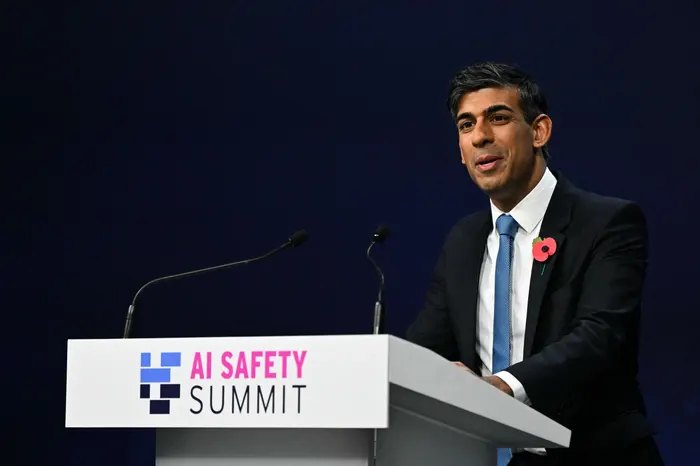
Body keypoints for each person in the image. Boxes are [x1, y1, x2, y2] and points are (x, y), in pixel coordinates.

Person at [405, 62, 663, 466]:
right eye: (466, 125)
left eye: (499, 118)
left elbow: (600, 336)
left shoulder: (607, 222)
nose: (480, 137)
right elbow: (428, 345)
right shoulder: (464, 239)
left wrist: (501, 387)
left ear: (539, 131)